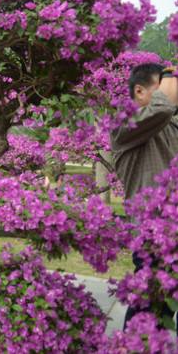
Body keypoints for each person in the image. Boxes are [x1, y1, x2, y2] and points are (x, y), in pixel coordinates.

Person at [109, 63, 178, 330]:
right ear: (139, 91)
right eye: (162, 88)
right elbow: (162, 107)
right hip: (150, 234)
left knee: (163, 311)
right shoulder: (123, 125)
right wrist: (171, 72)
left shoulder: (170, 126)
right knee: (147, 309)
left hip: (172, 231)